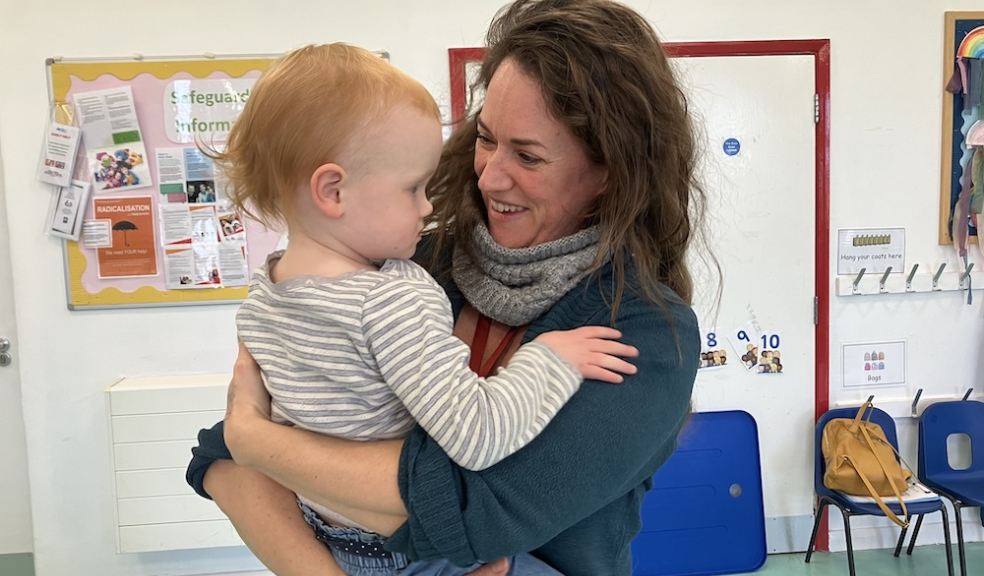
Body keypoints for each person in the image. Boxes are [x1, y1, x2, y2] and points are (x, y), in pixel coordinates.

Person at [188, 1, 703, 574]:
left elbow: (466, 512)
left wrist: (263, 448)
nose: (488, 174)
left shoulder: (644, 332)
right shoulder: (408, 263)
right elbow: (220, 457)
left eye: (528, 155)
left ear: (612, 173)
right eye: (486, 138)